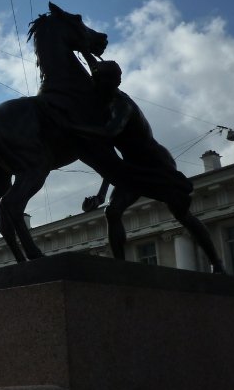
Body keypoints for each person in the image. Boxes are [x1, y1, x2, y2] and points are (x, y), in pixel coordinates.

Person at [76, 60, 225, 272]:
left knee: (182, 215)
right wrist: (101, 196)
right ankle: (121, 269)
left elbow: (109, 133)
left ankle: (216, 264)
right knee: (112, 211)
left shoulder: (122, 105)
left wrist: (73, 127)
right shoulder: (104, 105)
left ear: (117, 82)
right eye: (101, 79)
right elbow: (112, 164)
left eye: (110, 80)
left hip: (157, 165)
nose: (104, 84)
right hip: (131, 167)